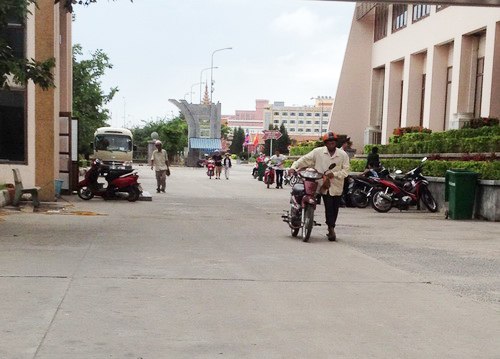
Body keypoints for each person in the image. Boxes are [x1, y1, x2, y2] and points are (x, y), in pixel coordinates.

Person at [290, 132, 350, 241]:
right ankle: (296, 214)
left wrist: (334, 174)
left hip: (334, 186)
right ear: (325, 143)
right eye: (328, 142)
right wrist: (293, 167)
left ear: (336, 143)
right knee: (302, 193)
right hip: (317, 184)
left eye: (333, 141)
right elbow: (303, 160)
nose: (331, 143)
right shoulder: (317, 152)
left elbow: (346, 171)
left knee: (332, 209)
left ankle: (331, 228)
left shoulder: (343, 155)